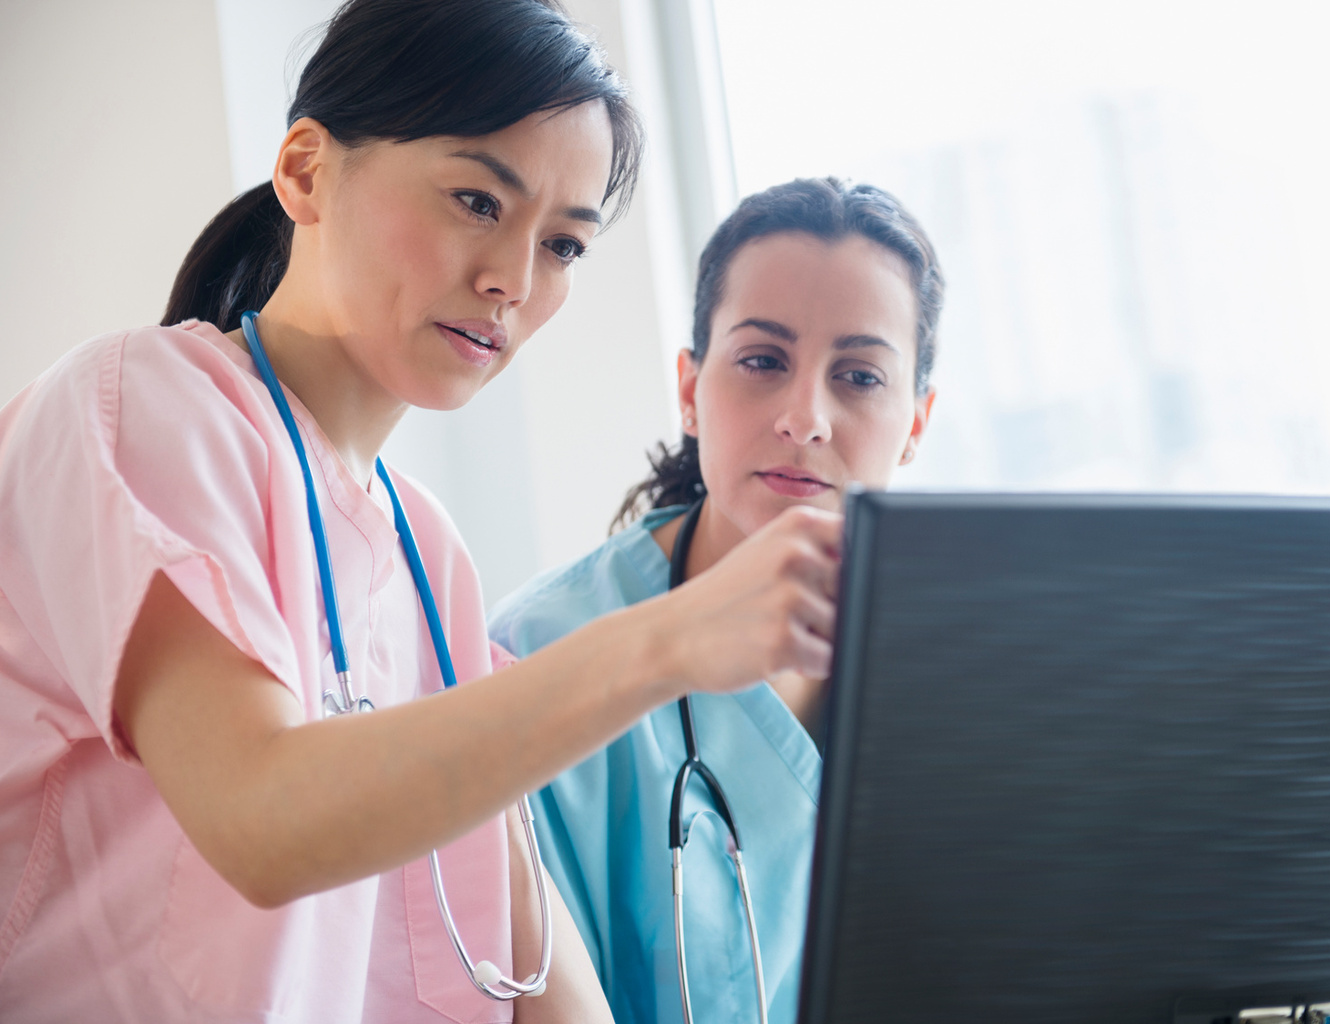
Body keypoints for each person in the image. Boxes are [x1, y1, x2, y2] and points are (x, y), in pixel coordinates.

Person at [0, 3, 842, 1022]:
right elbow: (265, 820)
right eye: (477, 200)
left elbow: (530, 953)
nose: (513, 280)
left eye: (566, 245)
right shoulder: (141, 404)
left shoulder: (424, 551)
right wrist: (665, 640)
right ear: (307, 171)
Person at [488, 177, 944, 1024]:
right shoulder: (533, 653)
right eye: (763, 361)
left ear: (916, 423)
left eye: (859, 377)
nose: (805, 418)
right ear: (691, 391)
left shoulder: (969, 660)